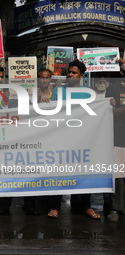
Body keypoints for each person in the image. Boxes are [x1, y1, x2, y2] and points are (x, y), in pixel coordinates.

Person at [51, 60, 100, 219]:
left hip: (81, 139)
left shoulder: (88, 93)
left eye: (73, 73)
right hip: (61, 138)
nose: (70, 75)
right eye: (69, 72)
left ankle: (84, 206)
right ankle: (54, 207)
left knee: (82, 173)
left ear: (81, 75)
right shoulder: (58, 91)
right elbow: (51, 113)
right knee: (58, 173)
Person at [103, 57, 125, 222]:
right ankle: (114, 208)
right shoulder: (113, 88)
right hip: (118, 137)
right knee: (118, 175)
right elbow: (110, 112)